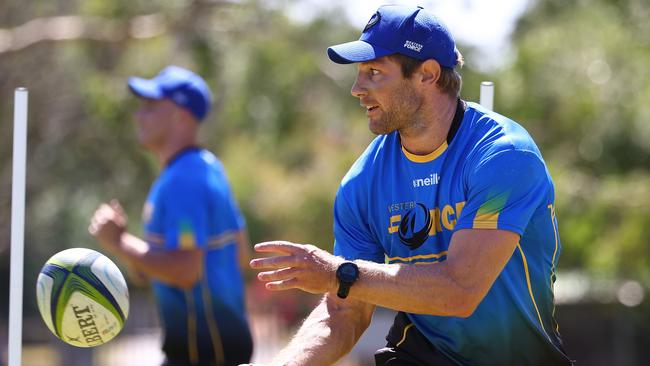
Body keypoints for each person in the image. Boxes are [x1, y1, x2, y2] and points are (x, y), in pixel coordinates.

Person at [248, 5, 572, 366]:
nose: (357, 89)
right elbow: (344, 313)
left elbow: (460, 290)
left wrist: (339, 273)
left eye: (374, 73)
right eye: (359, 74)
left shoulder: (503, 158)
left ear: (428, 74)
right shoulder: (363, 183)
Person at [89, 65, 253, 366]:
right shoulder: (205, 167)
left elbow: (185, 270)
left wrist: (120, 242)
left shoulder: (183, 179)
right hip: (214, 350)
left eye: (151, 107)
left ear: (180, 116)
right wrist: (133, 252)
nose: (139, 115)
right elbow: (240, 253)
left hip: (204, 354)